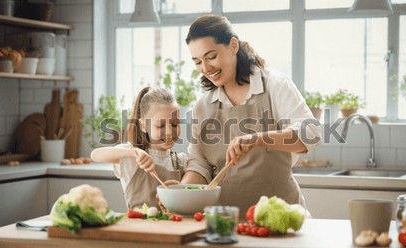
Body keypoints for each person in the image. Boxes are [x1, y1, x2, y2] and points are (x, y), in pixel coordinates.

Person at [181, 14, 322, 214]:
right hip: (225, 220)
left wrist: (258, 139)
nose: (205, 68)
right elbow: (199, 164)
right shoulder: (203, 106)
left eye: (211, 57)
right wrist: (180, 192)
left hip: (280, 215)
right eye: (197, 62)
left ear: (233, 46)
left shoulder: (274, 85)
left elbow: (311, 134)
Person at [90, 86, 187, 210]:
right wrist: (133, 153)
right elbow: (95, 155)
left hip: (173, 228)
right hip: (138, 227)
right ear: (144, 125)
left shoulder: (181, 161)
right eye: (160, 125)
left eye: (174, 124)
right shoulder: (132, 158)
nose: (169, 132)